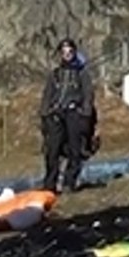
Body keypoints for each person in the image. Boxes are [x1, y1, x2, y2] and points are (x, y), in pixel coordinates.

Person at [39, 38, 96, 192]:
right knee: (53, 150)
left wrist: (85, 114)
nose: (67, 55)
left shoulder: (82, 74)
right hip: (56, 114)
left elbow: (88, 94)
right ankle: (50, 184)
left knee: (75, 150)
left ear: (74, 53)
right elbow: (47, 95)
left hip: (74, 114)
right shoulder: (55, 75)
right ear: (60, 54)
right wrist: (45, 114)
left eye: (70, 52)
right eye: (64, 52)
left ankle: (69, 182)